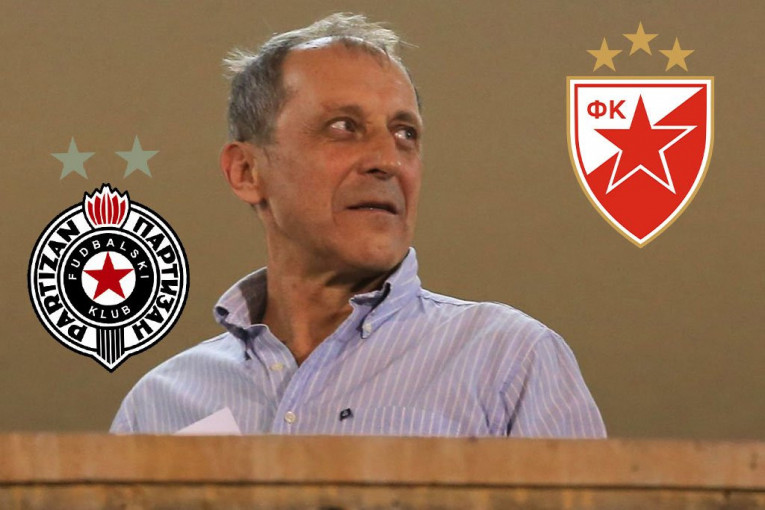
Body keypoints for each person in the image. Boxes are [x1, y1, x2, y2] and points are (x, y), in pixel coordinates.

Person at [111, 13, 606, 437]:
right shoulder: (158, 407)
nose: (387, 161)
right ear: (246, 171)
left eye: (404, 133)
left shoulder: (509, 362)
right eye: (344, 127)